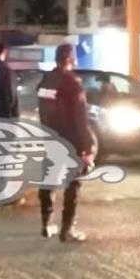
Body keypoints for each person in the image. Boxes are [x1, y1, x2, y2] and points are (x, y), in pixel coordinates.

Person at [36, 44, 95, 243]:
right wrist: (86, 147)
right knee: (73, 184)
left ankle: (46, 223)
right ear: (70, 58)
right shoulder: (72, 83)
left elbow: (43, 110)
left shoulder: (46, 81)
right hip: (69, 140)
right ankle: (67, 229)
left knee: (48, 181)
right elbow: (80, 117)